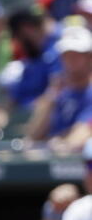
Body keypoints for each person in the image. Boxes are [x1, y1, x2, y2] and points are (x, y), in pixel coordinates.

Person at [26, 25, 92, 153]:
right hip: (53, 159)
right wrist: (51, 97)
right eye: (66, 55)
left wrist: (58, 145)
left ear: (89, 58)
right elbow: (32, 136)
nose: (71, 61)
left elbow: (81, 135)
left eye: (77, 55)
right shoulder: (58, 92)